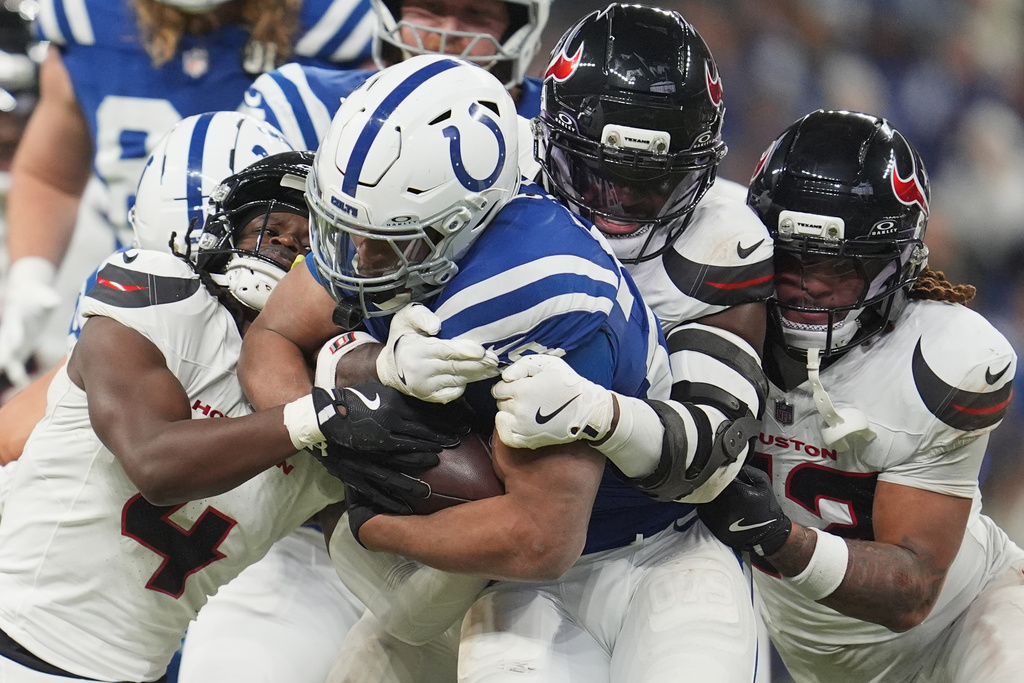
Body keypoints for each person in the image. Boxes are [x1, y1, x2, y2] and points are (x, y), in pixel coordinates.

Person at [239, 53, 757, 683]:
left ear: (462, 221)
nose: (359, 259)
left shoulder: (545, 287)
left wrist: (372, 521)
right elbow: (272, 335)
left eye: (390, 241)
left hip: (649, 552)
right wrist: (329, 415)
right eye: (349, 231)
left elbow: (541, 537)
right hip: (505, 576)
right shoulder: (385, 213)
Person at [0, 112, 459, 683]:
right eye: (273, 232)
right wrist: (318, 418)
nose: (288, 252)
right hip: (15, 639)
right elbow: (156, 463)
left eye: (309, 245)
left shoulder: (337, 387)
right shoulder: (159, 296)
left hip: (129, 670)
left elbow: (383, 569)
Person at [690, 109, 1024, 683]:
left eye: (839, 265)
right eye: (790, 257)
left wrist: (777, 537)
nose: (809, 282)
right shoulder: (711, 315)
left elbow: (911, 591)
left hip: (962, 624)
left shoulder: (940, 362)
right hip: (813, 654)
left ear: (893, 266)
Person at [0, 0, 375, 387]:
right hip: (140, 302)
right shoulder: (89, 18)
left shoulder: (339, 27)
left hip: (286, 320)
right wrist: (30, 279)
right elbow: (53, 175)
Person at [239, 0, 547, 156]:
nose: (449, 31)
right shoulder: (301, 105)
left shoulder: (554, 127)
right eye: (431, 6)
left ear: (519, 28)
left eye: (477, 13)